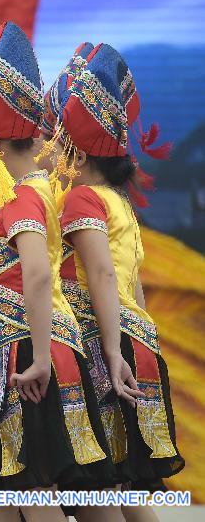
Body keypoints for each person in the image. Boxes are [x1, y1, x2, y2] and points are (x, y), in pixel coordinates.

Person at [0, 22, 117, 522]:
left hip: (29, 350)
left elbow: (39, 275)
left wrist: (43, 356)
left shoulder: (26, 196)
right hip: (24, 348)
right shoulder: (41, 188)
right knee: (14, 492)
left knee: (34, 490)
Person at [52, 43, 184, 517]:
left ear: (77, 152)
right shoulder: (118, 201)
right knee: (123, 484)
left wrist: (109, 350)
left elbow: (103, 276)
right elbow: (134, 286)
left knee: (102, 487)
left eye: (56, 142)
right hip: (137, 337)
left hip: (106, 343)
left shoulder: (82, 199)